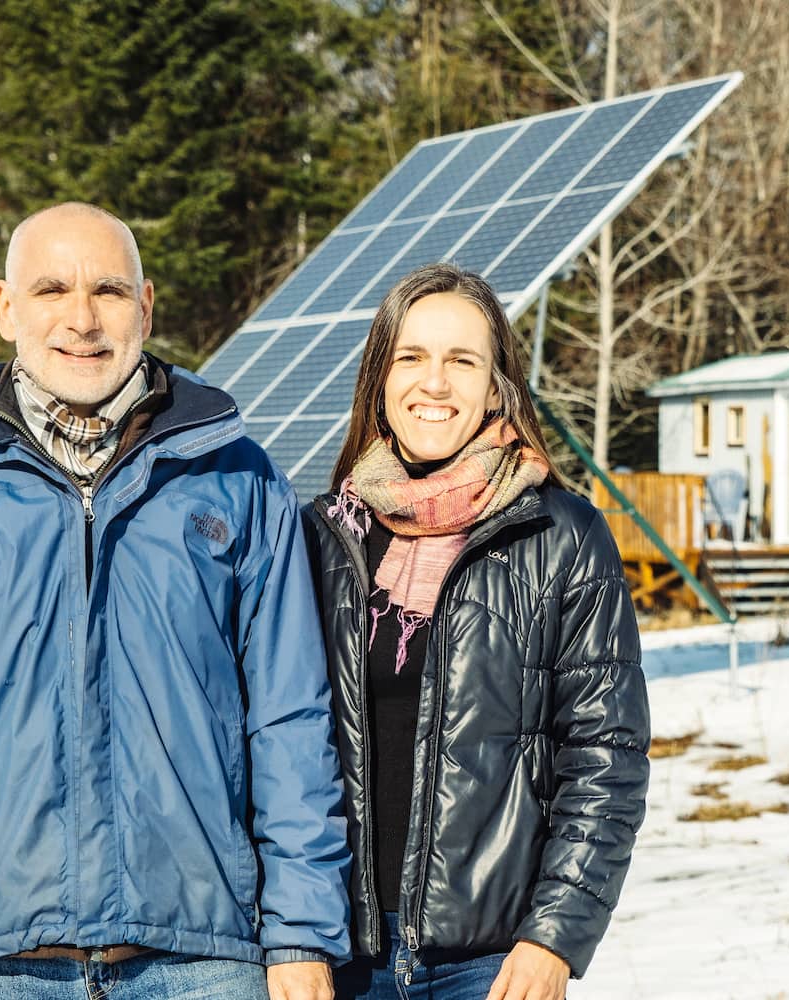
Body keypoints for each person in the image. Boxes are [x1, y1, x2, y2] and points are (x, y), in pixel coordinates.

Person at [0, 202, 349, 1000]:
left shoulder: (238, 481)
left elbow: (291, 722)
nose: (81, 318)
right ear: (5, 308)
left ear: (146, 304)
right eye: (50, 289)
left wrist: (304, 933)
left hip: (203, 959)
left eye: (107, 289)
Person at [301, 263, 650, 1000]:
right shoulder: (320, 538)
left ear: (497, 386)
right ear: (379, 379)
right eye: (412, 358)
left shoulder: (562, 536)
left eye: (462, 361)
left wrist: (554, 937)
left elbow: (605, 757)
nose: (435, 383)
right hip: (333, 955)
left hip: (490, 965)